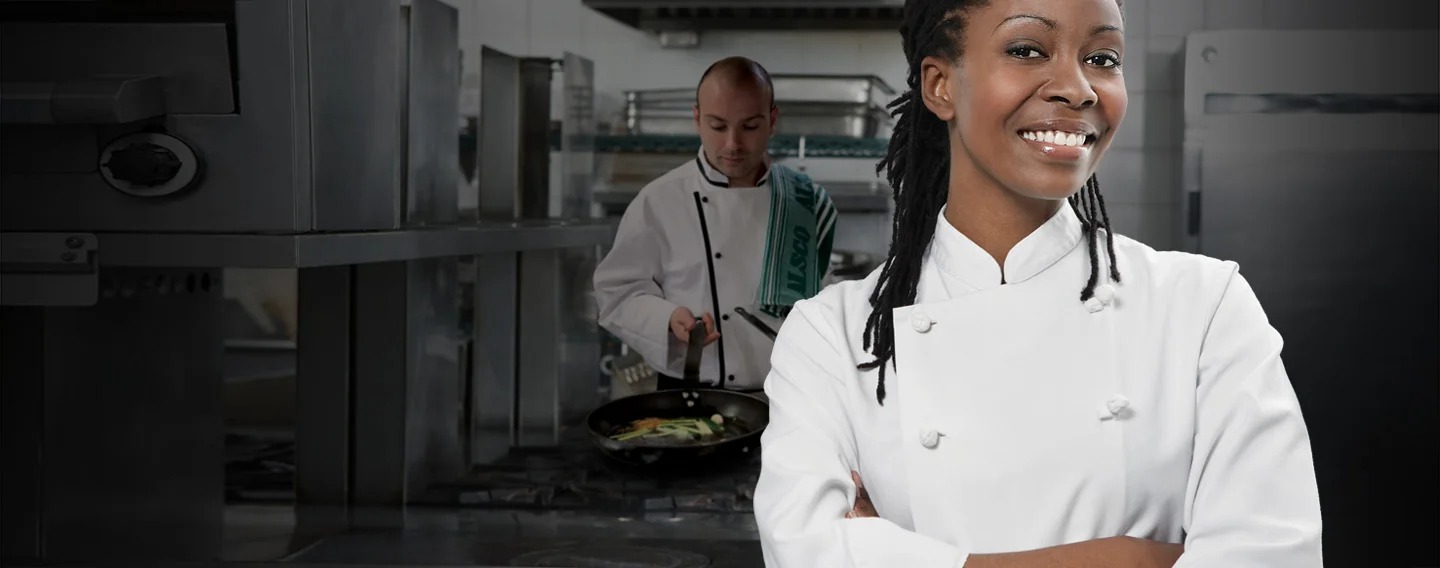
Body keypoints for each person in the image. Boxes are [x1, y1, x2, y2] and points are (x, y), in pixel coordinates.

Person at [752, 0, 1324, 566]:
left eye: (1102, 58)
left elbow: (1273, 556)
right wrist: (1133, 560)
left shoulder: (1204, 308)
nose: (1079, 88)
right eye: (1027, 49)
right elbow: (806, 552)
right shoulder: (832, 335)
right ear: (940, 85)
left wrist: (912, 556)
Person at [594, 56, 837, 392]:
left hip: (790, 395)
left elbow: (826, 301)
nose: (733, 144)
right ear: (697, 119)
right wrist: (666, 317)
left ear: (772, 120)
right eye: (718, 126)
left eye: (750, 126)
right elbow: (616, 294)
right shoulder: (659, 200)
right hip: (690, 393)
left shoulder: (804, 200)